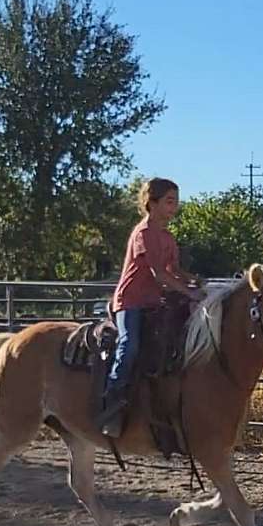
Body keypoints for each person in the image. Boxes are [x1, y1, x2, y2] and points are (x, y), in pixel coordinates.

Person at [101, 177, 200, 436]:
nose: (174, 207)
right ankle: (111, 403)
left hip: (153, 302)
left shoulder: (167, 237)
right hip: (130, 302)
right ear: (151, 203)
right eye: (169, 201)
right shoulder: (143, 234)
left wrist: (195, 280)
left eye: (175, 201)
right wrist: (189, 291)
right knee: (129, 345)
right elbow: (159, 274)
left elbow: (174, 270)